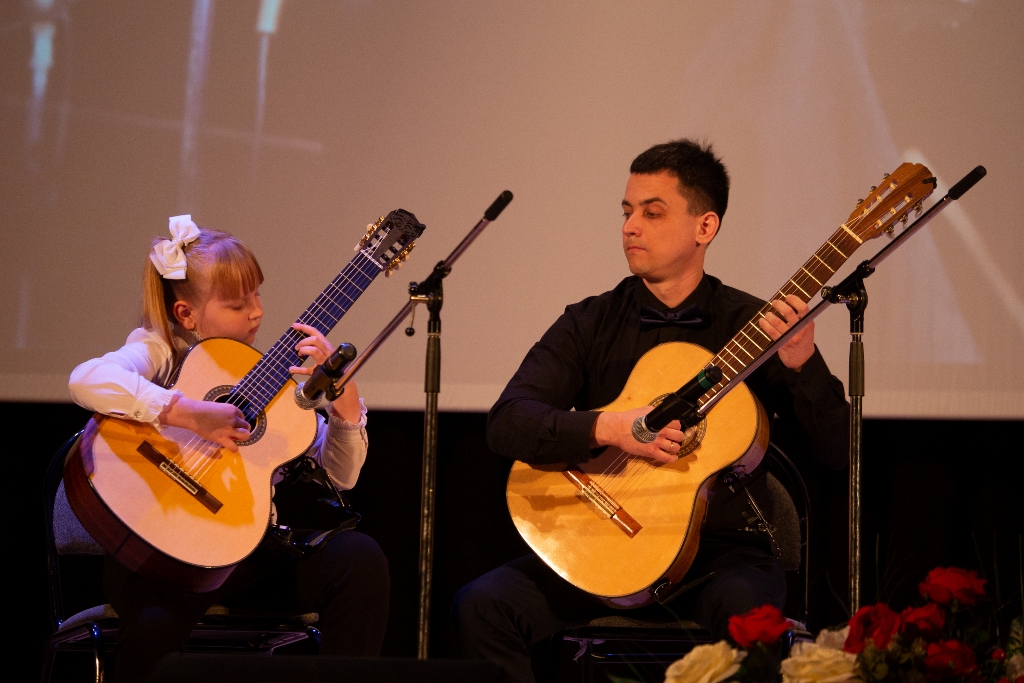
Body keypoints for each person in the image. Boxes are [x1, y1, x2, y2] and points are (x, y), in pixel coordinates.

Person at [451, 140, 850, 683]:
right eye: (627, 211)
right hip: (600, 546)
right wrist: (611, 427)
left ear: (704, 227)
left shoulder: (757, 328)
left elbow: (836, 452)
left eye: (652, 212)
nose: (630, 227)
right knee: (482, 604)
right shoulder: (589, 322)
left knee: (751, 626)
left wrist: (803, 365)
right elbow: (508, 422)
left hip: (720, 560)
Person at [68, 216, 389, 683]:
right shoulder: (162, 351)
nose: (256, 312)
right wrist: (188, 412)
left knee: (359, 559)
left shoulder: (273, 377)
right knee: (153, 627)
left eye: (257, 296)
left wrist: (345, 404)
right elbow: (86, 379)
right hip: (159, 558)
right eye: (238, 303)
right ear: (186, 314)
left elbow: (342, 475)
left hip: (244, 556)